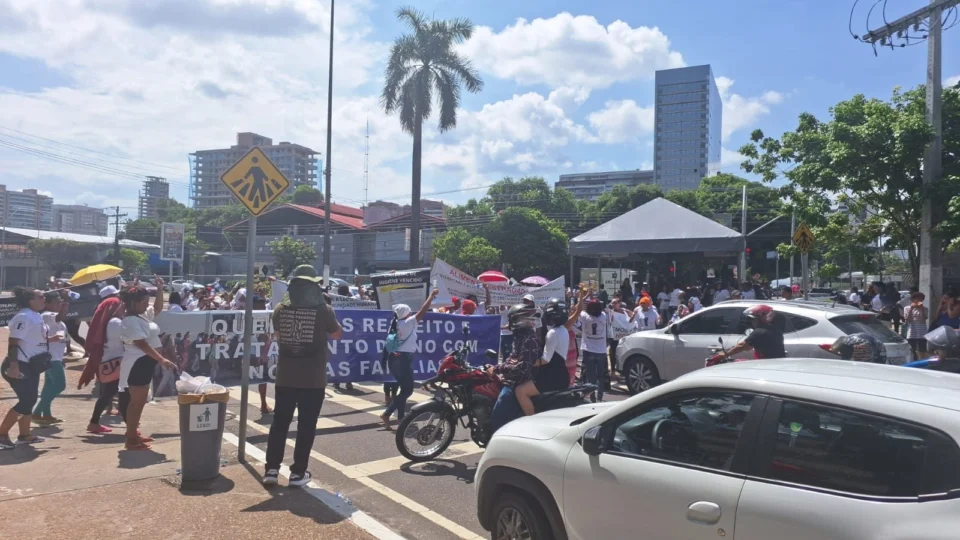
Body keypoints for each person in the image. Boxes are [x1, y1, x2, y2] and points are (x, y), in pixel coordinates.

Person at [265, 265, 343, 487]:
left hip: (286, 376)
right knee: (306, 426)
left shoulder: (280, 309)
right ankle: (298, 473)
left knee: (279, 424)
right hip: (313, 378)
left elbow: (279, 337)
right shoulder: (324, 310)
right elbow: (337, 334)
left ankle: (271, 470)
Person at [117, 285, 177, 450]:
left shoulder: (141, 316)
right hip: (138, 363)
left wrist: (159, 289)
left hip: (144, 363)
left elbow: (157, 308)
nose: (146, 304)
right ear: (133, 303)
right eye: (143, 302)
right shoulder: (130, 321)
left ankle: (133, 433)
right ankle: (130, 439)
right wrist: (161, 359)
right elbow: (141, 343)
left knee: (140, 402)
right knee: (136, 403)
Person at [379, 289, 438, 430]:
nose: (412, 314)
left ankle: (400, 418)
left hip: (395, 360)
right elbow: (423, 310)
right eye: (410, 312)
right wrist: (431, 296)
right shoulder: (408, 323)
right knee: (408, 391)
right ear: (406, 314)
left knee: (403, 389)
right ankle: (387, 414)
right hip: (403, 360)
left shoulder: (394, 325)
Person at [0, 288, 50, 449]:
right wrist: (14, 365)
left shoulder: (35, 315)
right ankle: (1, 435)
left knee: (30, 399)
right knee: (27, 400)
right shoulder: (24, 316)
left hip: (30, 366)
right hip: (19, 365)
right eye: (40, 296)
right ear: (30, 300)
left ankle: (24, 435)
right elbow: (13, 342)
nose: (44, 298)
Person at [488, 303, 542, 428]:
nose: (529, 320)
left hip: (520, 381)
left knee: (497, 416)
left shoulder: (529, 339)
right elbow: (511, 359)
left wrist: (498, 369)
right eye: (526, 317)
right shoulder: (519, 337)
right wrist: (498, 369)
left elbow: (522, 368)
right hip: (511, 378)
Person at [86, 295, 125, 434]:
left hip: (110, 363)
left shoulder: (110, 322)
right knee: (114, 394)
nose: (124, 307)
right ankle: (94, 423)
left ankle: (94, 422)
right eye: (121, 305)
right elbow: (126, 338)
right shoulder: (115, 322)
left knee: (109, 394)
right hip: (115, 364)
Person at [32, 290, 70, 426]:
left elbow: (62, 338)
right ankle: (37, 412)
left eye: (60, 301)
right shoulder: (48, 315)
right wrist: (66, 302)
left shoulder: (56, 319)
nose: (60, 304)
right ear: (48, 304)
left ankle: (46, 415)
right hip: (51, 358)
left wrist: (63, 356)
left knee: (49, 386)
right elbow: (60, 317)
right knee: (60, 385)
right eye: (57, 302)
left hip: (56, 357)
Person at [709, 304, 786, 363]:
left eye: (753, 320)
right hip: (770, 364)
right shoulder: (774, 329)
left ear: (762, 318)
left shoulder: (759, 332)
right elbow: (748, 347)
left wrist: (724, 355)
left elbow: (742, 346)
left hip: (764, 366)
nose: (752, 322)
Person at [579, 297, 608, 403]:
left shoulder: (585, 317)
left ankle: (592, 397)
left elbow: (578, 308)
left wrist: (583, 295)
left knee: (591, 376)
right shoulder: (603, 316)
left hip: (588, 349)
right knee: (600, 375)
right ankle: (600, 396)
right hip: (601, 351)